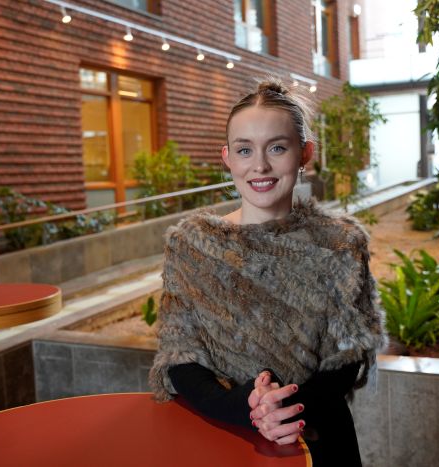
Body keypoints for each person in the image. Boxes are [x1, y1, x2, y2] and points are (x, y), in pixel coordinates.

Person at [149, 78, 387, 466]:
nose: (259, 165)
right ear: (227, 157)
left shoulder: (339, 243)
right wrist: (242, 407)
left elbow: (349, 356)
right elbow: (179, 357)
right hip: (225, 437)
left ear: (305, 153)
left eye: (277, 147)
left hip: (318, 436)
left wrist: (285, 407)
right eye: (245, 150)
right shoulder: (193, 245)